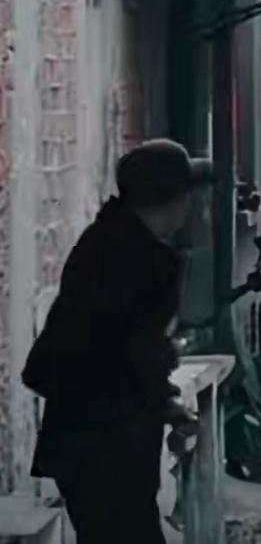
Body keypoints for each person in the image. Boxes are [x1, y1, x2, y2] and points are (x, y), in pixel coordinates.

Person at [22, 139, 212, 544]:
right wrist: (166, 391)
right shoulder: (146, 262)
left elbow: (112, 342)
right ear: (174, 201)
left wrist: (164, 399)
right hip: (107, 446)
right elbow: (135, 353)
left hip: (82, 442)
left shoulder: (102, 240)